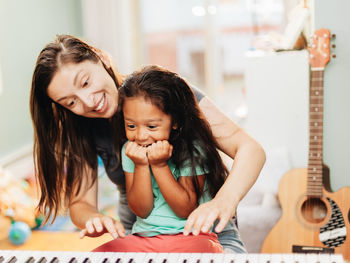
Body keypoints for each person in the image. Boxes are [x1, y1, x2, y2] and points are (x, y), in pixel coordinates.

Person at [30, 34, 266, 253]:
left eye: (85, 83)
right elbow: (80, 203)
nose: (88, 102)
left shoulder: (165, 93)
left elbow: (250, 149)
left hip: (205, 232)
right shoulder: (79, 127)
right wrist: (92, 217)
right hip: (141, 235)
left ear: (100, 57)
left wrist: (223, 201)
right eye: (70, 102)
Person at [93, 65, 229, 252]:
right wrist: (141, 165)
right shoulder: (130, 151)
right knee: (97, 255)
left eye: (151, 127)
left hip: (191, 236)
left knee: (208, 252)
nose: (140, 136)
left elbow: (185, 209)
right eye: (131, 126)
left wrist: (159, 165)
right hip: (144, 237)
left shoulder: (192, 149)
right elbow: (142, 210)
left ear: (175, 122)